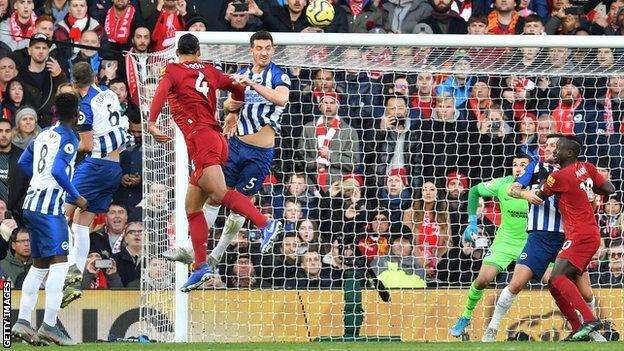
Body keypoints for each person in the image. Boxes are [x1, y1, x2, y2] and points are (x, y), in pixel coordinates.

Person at [148, 33, 283, 292]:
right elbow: (238, 87)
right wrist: (235, 110)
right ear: (198, 52)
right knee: (192, 207)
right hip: (217, 139)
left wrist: (152, 123)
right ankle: (200, 267)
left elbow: (161, 91)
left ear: (177, 53)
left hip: (202, 139)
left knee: (220, 194)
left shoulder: (173, 71)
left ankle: (266, 223)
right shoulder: (209, 70)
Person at [482, 135, 604, 342]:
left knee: (585, 291)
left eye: (553, 146)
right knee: (516, 283)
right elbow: (514, 188)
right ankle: (492, 329)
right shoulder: (537, 168)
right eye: (546, 145)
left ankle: (591, 330)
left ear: (564, 150)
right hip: (539, 238)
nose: (547, 149)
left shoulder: (578, 172)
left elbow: (591, 204)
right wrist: (525, 195)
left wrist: (593, 202)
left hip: (569, 237)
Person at [11, 93, 86, 346]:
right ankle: (50, 325)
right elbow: (56, 170)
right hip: (49, 207)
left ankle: (23, 321)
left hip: (31, 203)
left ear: (55, 111)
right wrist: (76, 196)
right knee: (61, 263)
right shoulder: (69, 137)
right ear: (76, 114)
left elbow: (23, 161)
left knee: (39, 264)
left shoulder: (43, 134)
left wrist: (39, 178)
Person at [535, 135, 615, 341]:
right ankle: (578, 328)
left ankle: (589, 320)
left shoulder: (558, 177)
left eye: (558, 148)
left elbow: (539, 196)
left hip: (580, 235)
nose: (553, 150)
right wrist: (587, 187)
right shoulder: (586, 167)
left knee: (557, 278)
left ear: (569, 153)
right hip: (589, 233)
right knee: (554, 284)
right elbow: (609, 189)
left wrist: (524, 188)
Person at [63, 62, 129, 295]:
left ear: (73, 84)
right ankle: (77, 273)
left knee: (60, 213)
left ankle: (64, 270)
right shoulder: (109, 93)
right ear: (93, 77)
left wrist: (64, 143)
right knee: (82, 221)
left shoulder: (85, 104)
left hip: (96, 165)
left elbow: (86, 144)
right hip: (114, 167)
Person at [450, 153, 531, 337]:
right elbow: (474, 192)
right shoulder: (503, 184)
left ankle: (582, 324)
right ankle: (466, 315)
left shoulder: (538, 187)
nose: (518, 168)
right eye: (515, 164)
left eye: (523, 165)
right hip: (505, 241)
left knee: (555, 281)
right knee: (482, 280)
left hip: (531, 242)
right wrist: (472, 222)